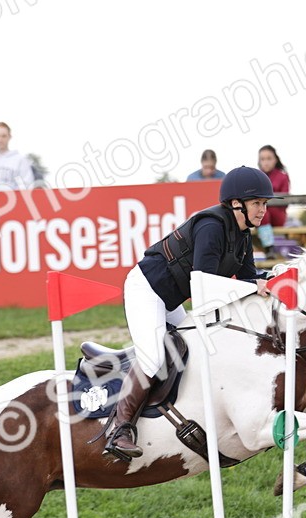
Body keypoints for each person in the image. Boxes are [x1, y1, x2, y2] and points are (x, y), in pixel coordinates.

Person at [104, 166, 273, 461]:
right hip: (147, 289)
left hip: (172, 299)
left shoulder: (243, 236)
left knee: (194, 350)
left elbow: (247, 281)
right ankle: (120, 429)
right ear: (236, 203)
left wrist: (269, 280)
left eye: (265, 203)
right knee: (154, 357)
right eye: (258, 203)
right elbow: (204, 283)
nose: (263, 210)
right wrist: (255, 284)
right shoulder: (212, 225)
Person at [0, 122, 36, 190]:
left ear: (9, 136)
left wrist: (1, 187)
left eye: (4, 136)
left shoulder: (20, 160)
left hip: (14, 200)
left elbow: (27, 186)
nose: (0, 140)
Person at [257, 145, 290, 228]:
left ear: (275, 160)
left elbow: (285, 201)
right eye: (262, 159)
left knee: (264, 212)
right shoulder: (256, 176)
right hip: (260, 215)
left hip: (277, 215)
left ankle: (268, 241)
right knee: (261, 212)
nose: (266, 162)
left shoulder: (283, 176)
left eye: (269, 158)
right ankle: (268, 241)